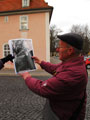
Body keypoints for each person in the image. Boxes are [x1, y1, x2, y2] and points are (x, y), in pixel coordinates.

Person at [19, 33, 88, 120]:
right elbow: (56, 69)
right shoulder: (71, 63)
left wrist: (27, 76)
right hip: (60, 110)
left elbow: (42, 88)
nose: (57, 49)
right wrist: (41, 62)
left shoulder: (74, 73)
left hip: (62, 115)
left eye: (60, 47)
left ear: (70, 51)